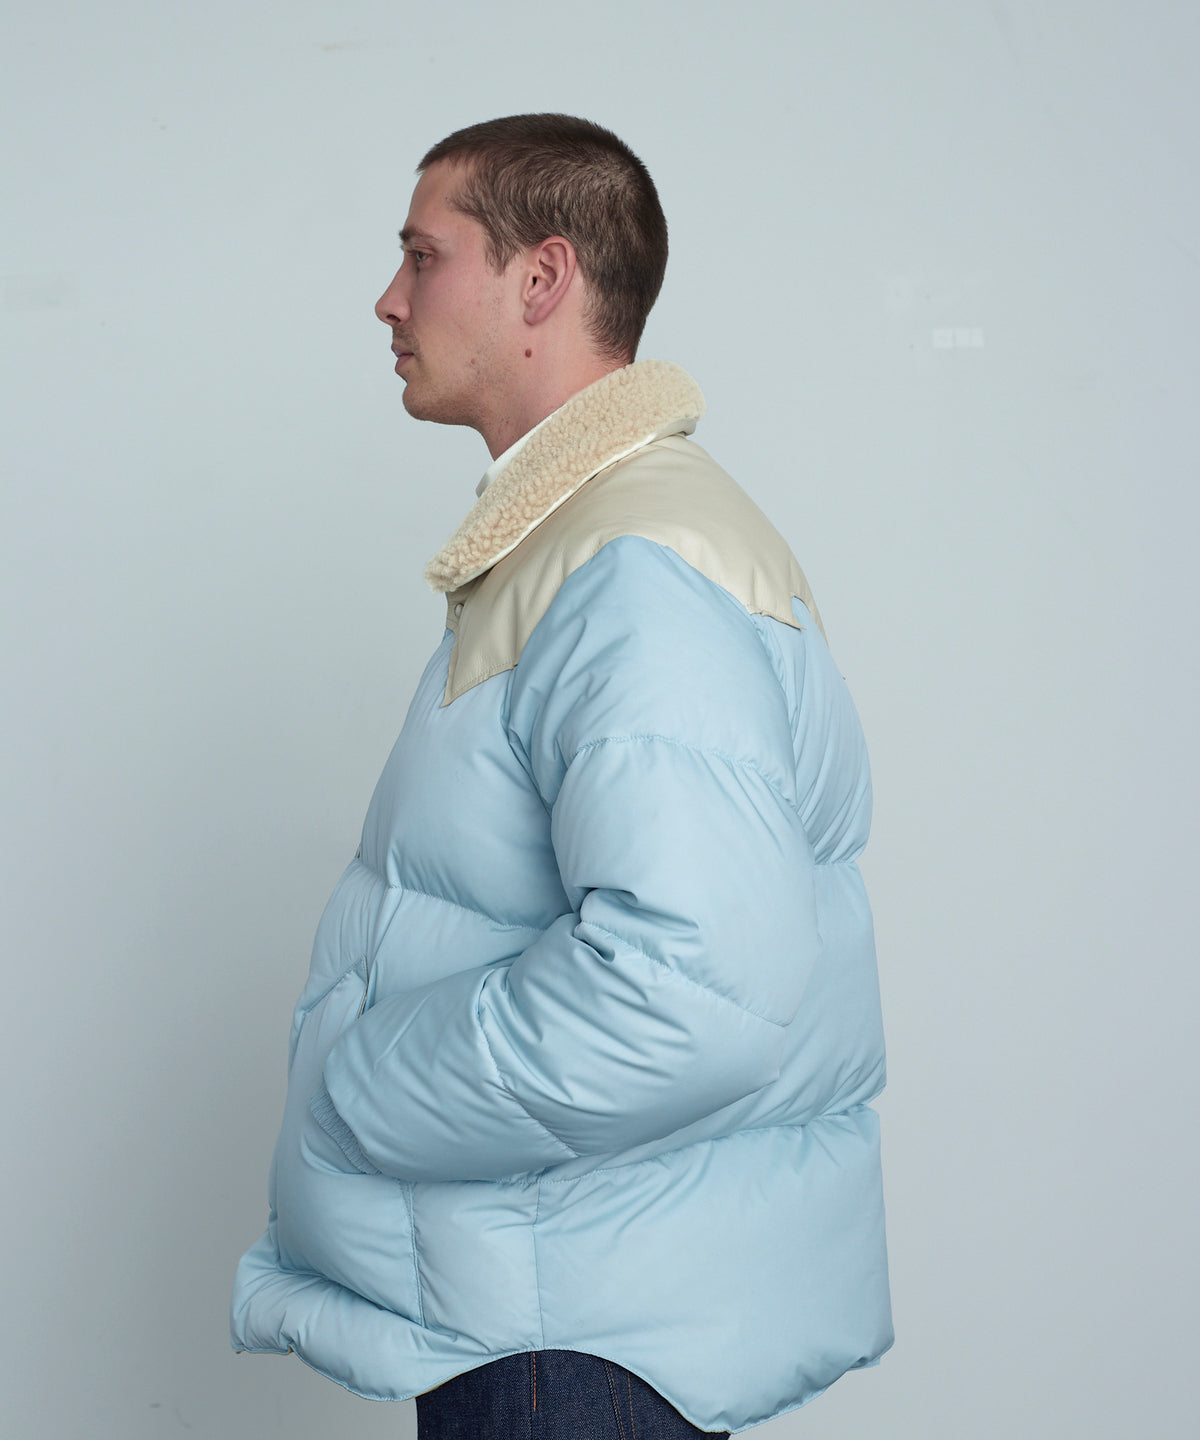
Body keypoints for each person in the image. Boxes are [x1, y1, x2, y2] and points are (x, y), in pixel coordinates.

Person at [231, 114, 892, 1438]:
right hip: (565, 1305)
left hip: (569, 1338)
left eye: (424, 257)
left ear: (542, 278)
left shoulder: (629, 571)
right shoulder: (582, 546)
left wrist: (363, 1085)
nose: (389, 298)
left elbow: (689, 988)